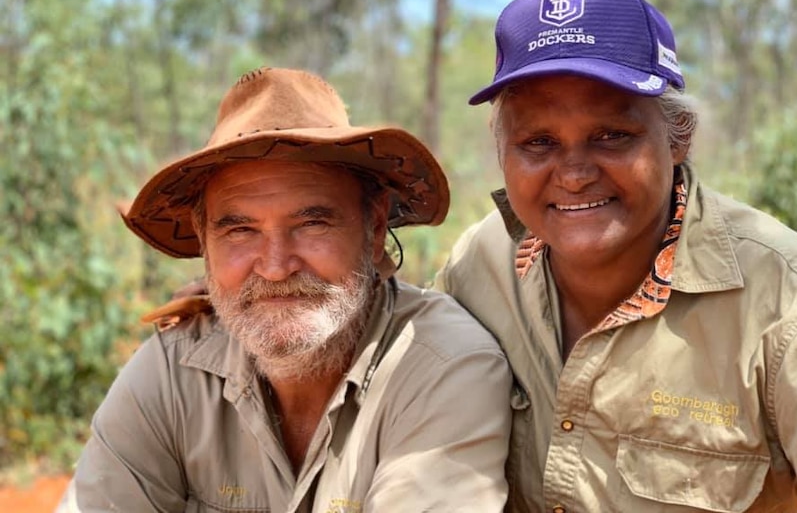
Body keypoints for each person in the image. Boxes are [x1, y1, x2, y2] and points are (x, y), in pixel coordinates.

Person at [434, 0, 797, 511]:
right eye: (538, 142)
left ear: (678, 138)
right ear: (503, 153)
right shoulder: (477, 269)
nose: (573, 173)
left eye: (611, 135)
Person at [59, 67, 513, 512]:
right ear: (205, 245)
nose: (276, 267)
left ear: (374, 231)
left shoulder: (441, 365)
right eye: (239, 231)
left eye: (312, 224)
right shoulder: (174, 370)